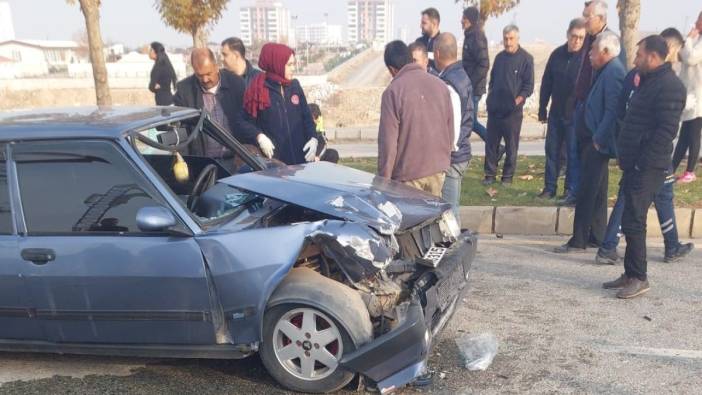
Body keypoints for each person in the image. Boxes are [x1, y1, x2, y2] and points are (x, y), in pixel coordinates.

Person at [596, 32, 694, 265]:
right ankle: (626, 264)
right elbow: (625, 114)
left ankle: (642, 269)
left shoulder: (670, 86)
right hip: (637, 162)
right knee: (632, 215)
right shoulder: (642, 79)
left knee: (640, 213)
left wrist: (642, 160)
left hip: (650, 163)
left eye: (638, 55)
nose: (634, 59)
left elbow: (665, 131)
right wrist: (628, 153)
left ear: (653, 56)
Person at [555, 32, 625, 254]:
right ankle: (598, 235)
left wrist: (598, 138)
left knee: (587, 191)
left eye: (593, 51)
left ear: (605, 52)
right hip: (591, 139)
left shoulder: (614, 72)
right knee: (598, 191)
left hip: (597, 142)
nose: (590, 55)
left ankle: (579, 239)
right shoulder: (604, 70)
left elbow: (613, 110)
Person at [378, 40, 454, 196]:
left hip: (409, 175)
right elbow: (450, 130)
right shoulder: (440, 86)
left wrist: (383, 182)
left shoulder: (392, 92)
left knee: (409, 220)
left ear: (392, 69)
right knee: (433, 218)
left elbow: (388, 143)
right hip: (438, 169)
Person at [173, 48, 267, 169]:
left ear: (216, 66)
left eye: (208, 74)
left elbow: (248, 119)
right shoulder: (184, 91)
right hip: (205, 164)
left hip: (237, 160)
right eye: (200, 75)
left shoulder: (236, 84)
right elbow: (182, 132)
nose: (205, 79)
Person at [560, 0, 613, 206]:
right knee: (574, 153)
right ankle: (575, 192)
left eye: (587, 16)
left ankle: (590, 217)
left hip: (595, 114)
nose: (584, 20)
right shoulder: (590, 40)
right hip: (580, 105)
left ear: (600, 18)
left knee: (593, 166)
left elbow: (612, 89)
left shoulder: (609, 42)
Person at [243, 43, 317, 165]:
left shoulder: (295, 86)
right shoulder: (259, 90)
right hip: (276, 163)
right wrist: (259, 136)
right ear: (276, 65)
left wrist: (313, 138)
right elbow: (243, 122)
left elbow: (307, 118)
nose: (293, 68)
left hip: (301, 161)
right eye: (289, 65)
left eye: (294, 64)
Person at [537, 18, 587, 200]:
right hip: (556, 112)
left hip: (574, 114)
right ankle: (549, 187)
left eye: (581, 38)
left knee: (572, 153)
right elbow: (546, 83)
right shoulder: (557, 55)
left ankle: (570, 189)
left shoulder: (585, 59)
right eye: (574, 37)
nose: (577, 41)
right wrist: (542, 107)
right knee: (552, 151)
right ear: (568, 35)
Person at [483, 25, 534, 186]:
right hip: (495, 109)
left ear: (517, 39)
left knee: (511, 146)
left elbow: (528, 87)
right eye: (505, 38)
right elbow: (492, 81)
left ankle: (507, 177)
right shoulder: (499, 58)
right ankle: (490, 175)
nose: (508, 42)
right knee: (491, 144)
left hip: (512, 113)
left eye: (511, 38)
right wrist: (490, 99)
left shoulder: (526, 59)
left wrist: (516, 101)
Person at [435, 32, 474, 222]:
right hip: (459, 153)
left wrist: (449, 152)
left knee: (450, 214)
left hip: (453, 157)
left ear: (437, 53)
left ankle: (456, 250)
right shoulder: (460, 75)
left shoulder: (449, 83)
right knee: (451, 209)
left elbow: (455, 126)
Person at [672, 11, 702, 183]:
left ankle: (690, 170)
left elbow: (690, 57)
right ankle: (672, 167)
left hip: (698, 95)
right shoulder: (696, 40)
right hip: (689, 91)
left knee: (693, 133)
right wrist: (689, 40)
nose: (696, 22)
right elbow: (681, 54)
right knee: (684, 134)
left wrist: (689, 38)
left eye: (699, 19)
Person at [461, 6, 491, 144]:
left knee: (470, 122)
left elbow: (483, 64)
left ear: (471, 20)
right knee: (469, 121)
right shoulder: (470, 36)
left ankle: (494, 146)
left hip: (474, 88)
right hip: (469, 87)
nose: (461, 21)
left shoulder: (476, 37)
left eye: (464, 19)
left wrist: (470, 83)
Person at [415, 7, 441, 72]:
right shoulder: (419, 42)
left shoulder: (442, 43)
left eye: (424, 23)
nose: (420, 26)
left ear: (434, 23)